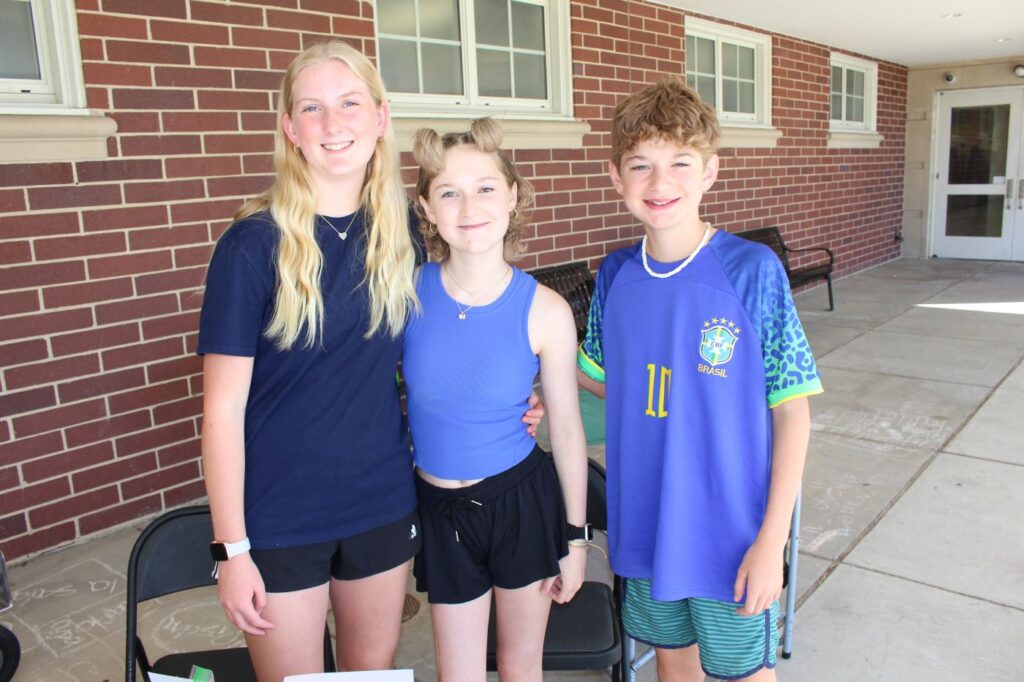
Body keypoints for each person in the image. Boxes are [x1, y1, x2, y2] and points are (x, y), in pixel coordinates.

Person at [197, 43, 541, 681]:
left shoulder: (402, 232)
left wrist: (512, 394)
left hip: (381, 503)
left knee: (367, 674)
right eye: (312, 108)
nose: (333, 123)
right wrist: (231, 548)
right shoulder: (252, 246)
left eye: (350, 103)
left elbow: (438, 341)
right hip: (279, 513)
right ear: (290, 128)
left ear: (380, 117)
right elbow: (221, 412)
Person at [576, 79, 823, 682]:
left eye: (680, 163)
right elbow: (603, 380)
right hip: (648, 522)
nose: (660, 182)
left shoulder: (751, 270)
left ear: (710, 171)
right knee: (672, 660)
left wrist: (771, 541)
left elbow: (792, 410)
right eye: (641, 165)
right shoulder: (615, 274)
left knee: (743, 673)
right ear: (616, 177)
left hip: (730, 532)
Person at [403, 118, 589, 682]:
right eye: (449, 193)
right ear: (427, 207)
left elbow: (568, 429)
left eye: (485, 187)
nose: (469, 207)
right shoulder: (405, 293)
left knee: (518, 665)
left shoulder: (546, 310)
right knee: (457, 672)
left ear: (512, 195)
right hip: (440, 509)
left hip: (519, 503)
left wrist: (576, 539)